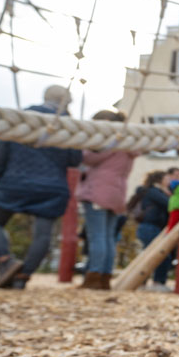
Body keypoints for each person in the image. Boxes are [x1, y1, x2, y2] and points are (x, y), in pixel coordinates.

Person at [0, 86, 82, 289]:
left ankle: (5, 261)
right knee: (43, 234)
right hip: (52, 186)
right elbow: (75, 160)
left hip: (14, 181)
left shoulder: (19, 118)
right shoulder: (69, 126)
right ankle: (23, 276)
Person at [77, 110, 137, 290]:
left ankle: (93, 276)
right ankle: (104, 277)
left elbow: (87, 157)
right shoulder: (128, 145)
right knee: (109, 237)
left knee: (96, 236)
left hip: (98, 191)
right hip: (117, 193)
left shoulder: (108, 142)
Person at [135, 169, 174, 290]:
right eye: (167, 178)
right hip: (149, 226)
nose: (169, 181)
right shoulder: (153, 191)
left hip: (154, 226)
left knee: (151, 254)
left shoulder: (159, 191)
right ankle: (157, 283)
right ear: (159, 179)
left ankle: (143, 282)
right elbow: (168, 204)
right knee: (160, 255)